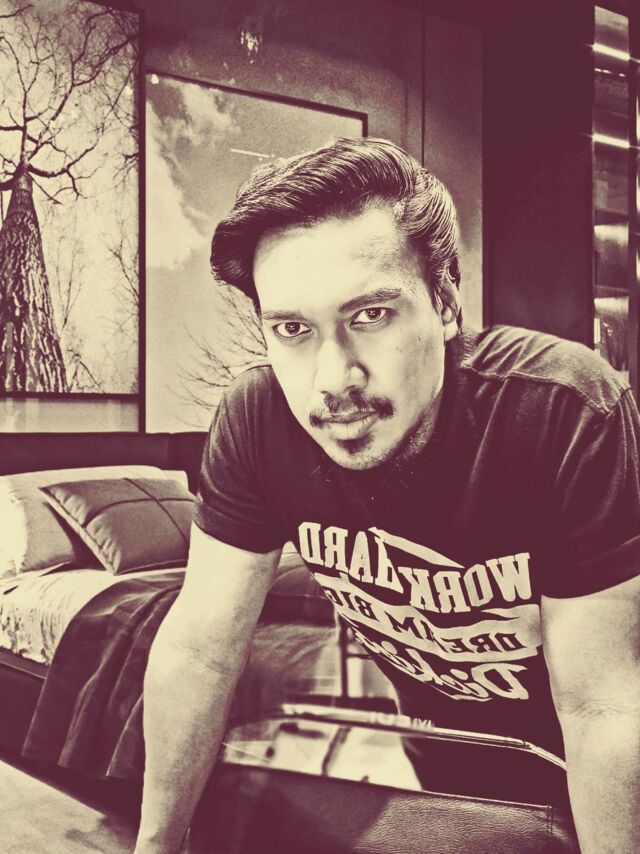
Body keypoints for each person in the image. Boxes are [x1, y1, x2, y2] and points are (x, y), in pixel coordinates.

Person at [134, 138, 640, 853]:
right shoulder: (258, 419)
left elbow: (603, 706)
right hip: (454, 769)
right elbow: (200, 651)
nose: (331, 378)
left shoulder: (562, 408)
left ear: (446, 302)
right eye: (293, 329)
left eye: (370, 315)